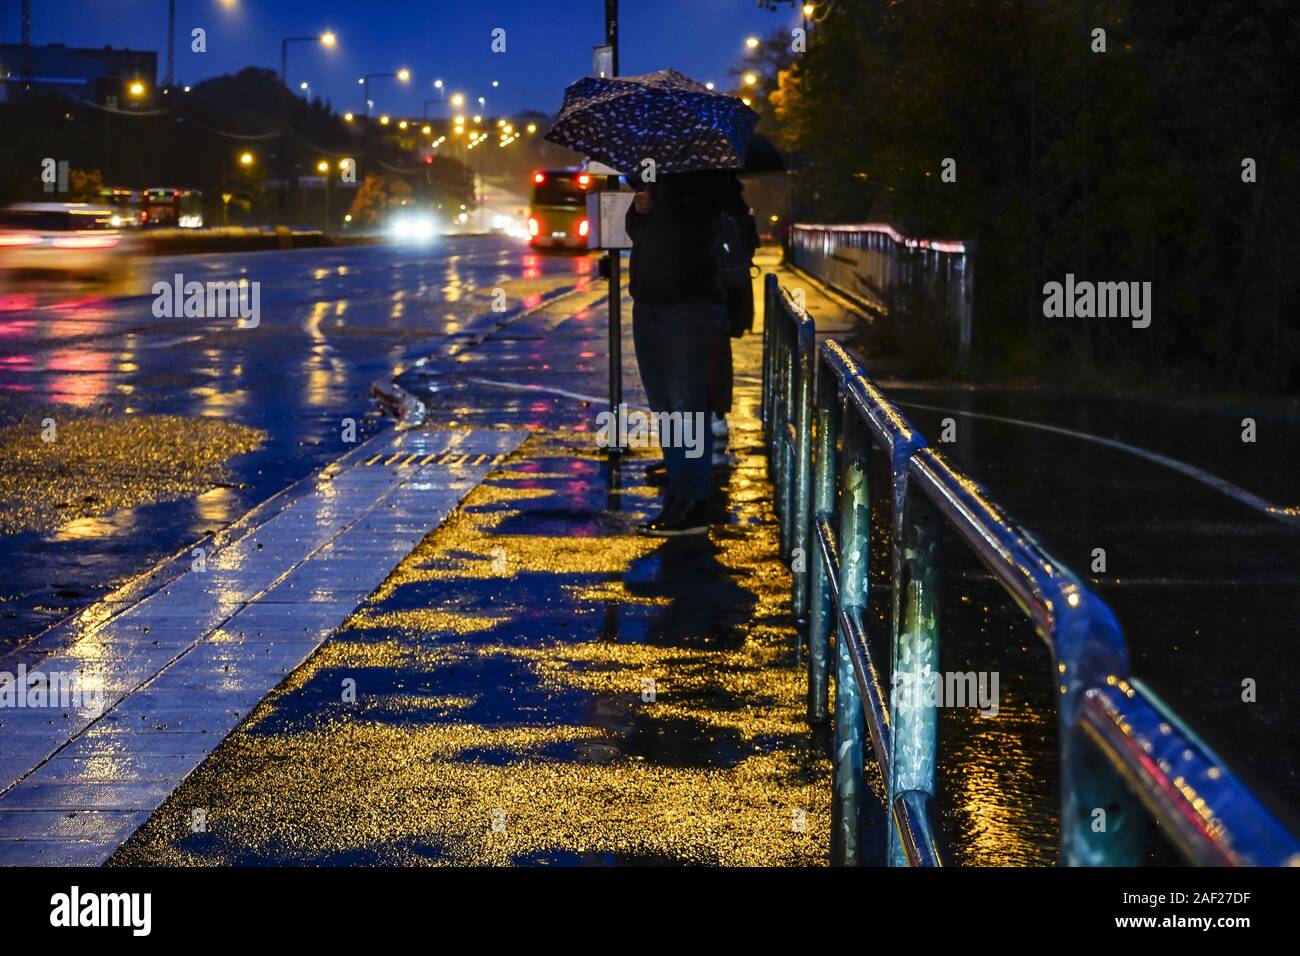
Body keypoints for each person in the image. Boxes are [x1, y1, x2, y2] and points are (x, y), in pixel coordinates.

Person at [625, 169, 735, 536]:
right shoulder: (659, 176)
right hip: (650, 304)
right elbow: (640, 231)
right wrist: (639, 209)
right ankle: (678, 496)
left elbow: (701, 225)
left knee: (686, 406)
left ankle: (693, 502)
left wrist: (661, 197)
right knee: (665, 408)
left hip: (688, 307)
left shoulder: (705, 176)